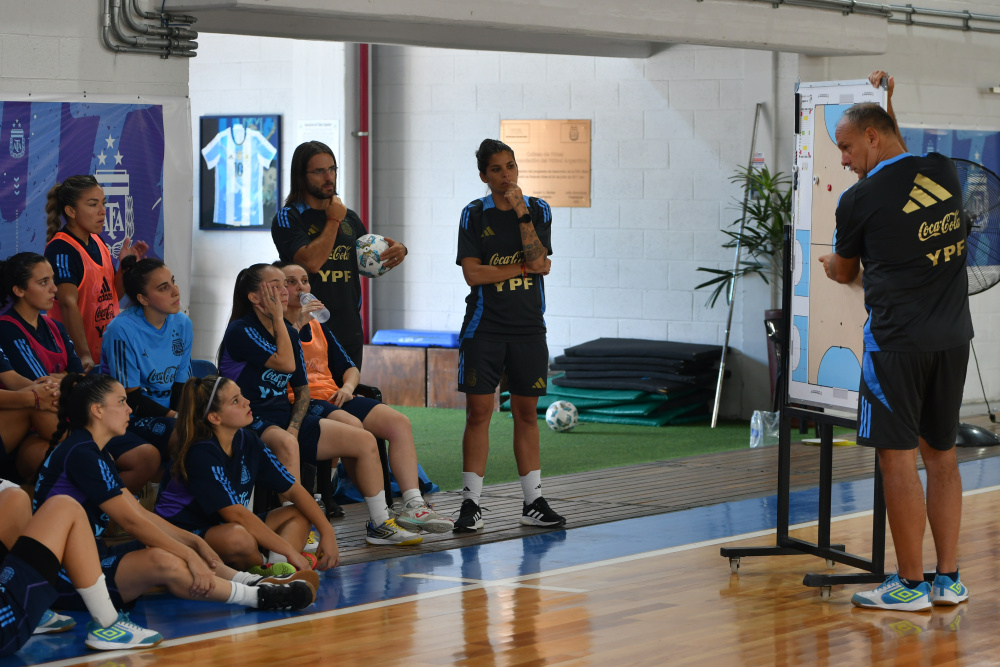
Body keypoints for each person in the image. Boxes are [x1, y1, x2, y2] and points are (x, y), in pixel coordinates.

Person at [818, 71, 973, 612]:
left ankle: (908, 585)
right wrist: (887, 106)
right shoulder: (945, 172)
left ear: (871, 138)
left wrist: (832, 267)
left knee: (898, 461)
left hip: (895, 347)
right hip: (952, 340)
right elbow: (904, 170)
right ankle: (947, 580)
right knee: (943, 456)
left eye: (844, 146)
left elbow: (843, 270)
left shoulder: (856, 201)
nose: (841, 159)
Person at [33, 373, 318, 614]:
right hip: (64, 572)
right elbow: (133, 522)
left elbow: (139, 513)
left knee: (179, 548)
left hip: (90, 553)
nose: (130, 410)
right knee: (167, 559)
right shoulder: (83, 454)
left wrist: (192, 542)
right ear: (97, 410)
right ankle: (260, 595)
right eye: (121, 402)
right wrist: (188, 549)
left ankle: (256, 583)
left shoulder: (96, 452)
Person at [218, 263, 422, 545]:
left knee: (363, 440)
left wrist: (294, 426)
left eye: (283, 285)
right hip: (248, 419)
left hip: (284, 416)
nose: (284, 292)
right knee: (288, 443)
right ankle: (298, 530)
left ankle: (380, 523)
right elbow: (286, 364)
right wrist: (282, 321)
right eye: (275, 286)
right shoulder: (241, 330)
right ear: (254, 297)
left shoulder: (288, 332)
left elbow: (301, 391)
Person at [280, 261, 453, 533]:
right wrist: (299, 319)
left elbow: (349, 368)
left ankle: (414, 504)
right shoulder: (274, 327)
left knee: (398, 423)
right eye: (292, 282)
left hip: (335, 396)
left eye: (304, 280)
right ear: (277, 290)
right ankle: (377, 512)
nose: (301, 287)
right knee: (354, 429)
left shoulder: (318, 327)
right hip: (301, 401)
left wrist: (348, 388)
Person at [453, 139, 565, 532]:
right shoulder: (473, 214)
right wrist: (520, 270)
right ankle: (470, 505)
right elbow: (473, 273)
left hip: (528, 327)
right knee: (480, 414)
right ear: (484, 176)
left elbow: (541, 261)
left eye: (511, 167)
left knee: (525, 414)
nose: (506, 176)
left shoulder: (537, 210)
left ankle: (533, 501)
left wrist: (520, 213)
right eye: (497, 170)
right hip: (484, 327)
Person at [0, 252, 160, 494]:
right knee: (78, 463)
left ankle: (104, 513)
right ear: (19, 290)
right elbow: (39, 388)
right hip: (38, 428)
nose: (54, 288)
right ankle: (101, 503)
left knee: (147, 457)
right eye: (43, 282)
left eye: (53, 280)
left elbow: (81, 382)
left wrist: (63, 379)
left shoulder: (56, 327)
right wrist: (63, 379)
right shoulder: (7, 329)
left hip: (73, 417)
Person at [156, 376, 339, 572]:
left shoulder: (247, 440)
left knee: (300, 512)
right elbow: (236, 515)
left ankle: (278, 571)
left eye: (241, 395)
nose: (246, 402)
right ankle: (269, 569)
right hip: (182, 535)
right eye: (235, 400)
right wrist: (290, 551)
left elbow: (293, 489)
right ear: (215, 418)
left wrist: (327, 532)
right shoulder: (200, 452)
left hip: (228, 529)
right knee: (238, 537)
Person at [271, 141, 408, 369]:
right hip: (307, 325)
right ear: (301, 176)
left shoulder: (349, 218)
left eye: (332, 169)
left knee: (347, 398)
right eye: (319, 171)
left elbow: (366, 258)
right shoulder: (289, 217)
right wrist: (333, 219)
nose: (329, 177)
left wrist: (399, 250)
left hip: (348, 327)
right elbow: (311, 263)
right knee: (314, 397)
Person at [0, 480, 162, 653]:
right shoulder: (81, 455)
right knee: (65, 507)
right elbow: (133, 520)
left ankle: (34, 611)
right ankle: (107, 623)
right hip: (5, 625)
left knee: (14, 497)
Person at [43, 174, 147, 371]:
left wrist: (125, 266)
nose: (102, 211)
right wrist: (82, 355)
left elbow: (112, 295)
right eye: (93, 205)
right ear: (71, 211)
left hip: (107, 354)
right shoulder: (60, 248)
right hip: (78, 360)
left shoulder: (99, 242)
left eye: (103, 203)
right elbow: (67, 304)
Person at [100, 256, 192, 462]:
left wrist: (186, 416)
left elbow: (180, 385)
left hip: (167, 414)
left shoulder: (182, 324)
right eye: (163, 288)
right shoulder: (122, 329)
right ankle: (172, 493)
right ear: (143, 299)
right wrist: (179, 419)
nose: (176, 291)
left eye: (173, 281)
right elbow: (131, 400)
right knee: (187, 434)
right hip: (128, 418)